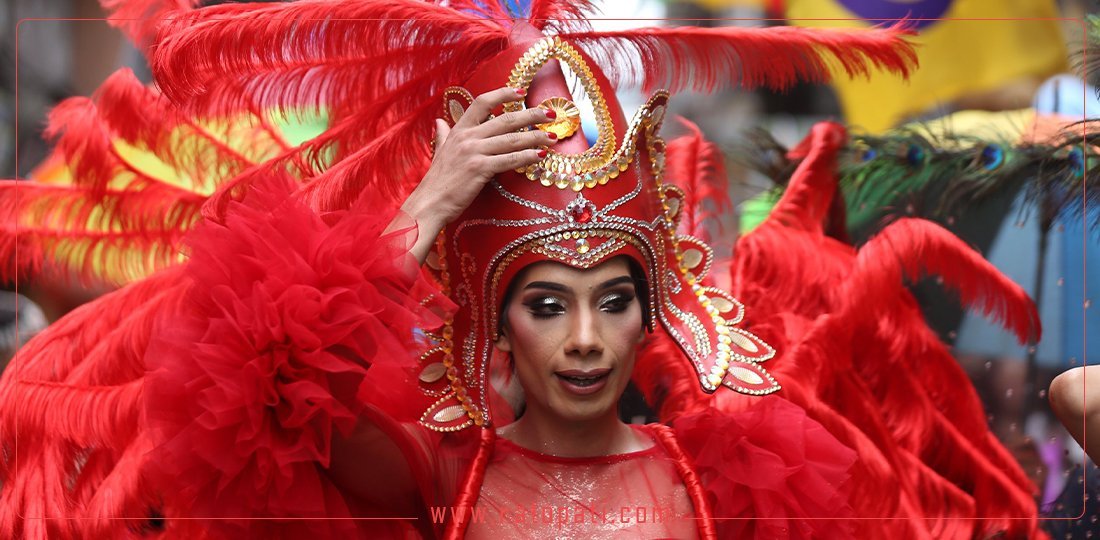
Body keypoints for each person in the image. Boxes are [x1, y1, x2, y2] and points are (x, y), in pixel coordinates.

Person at [0, 1, 1049, 538]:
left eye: (614, 301)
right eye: (545, 304)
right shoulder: (445, 471)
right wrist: (425, 212)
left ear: (654, 315)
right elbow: (254, 401)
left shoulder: (720, 476)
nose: (585, 340)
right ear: (495, 324)